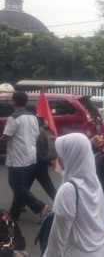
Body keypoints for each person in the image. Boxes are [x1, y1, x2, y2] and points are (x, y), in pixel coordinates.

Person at [44, 133, 104, 256]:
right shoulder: (94, 182)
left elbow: (57, 241)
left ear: (70, 155)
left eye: (61, 153)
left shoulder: (68, 190)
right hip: (99, 250)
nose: (58, 158)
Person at [0, 91, 48, 221]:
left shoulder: (13, 118)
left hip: (18, 159)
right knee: (21, 186)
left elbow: (6, 137)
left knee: (16, 186)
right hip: (31, 157)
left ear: (14, 102)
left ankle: (40, 206)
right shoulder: (33, 117)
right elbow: (37, 135)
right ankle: (15, 213)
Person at [28, 117, 57, 201]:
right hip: (43, 160)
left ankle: (59, 202)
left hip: (38, 160)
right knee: (25, 184)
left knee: (47, 185)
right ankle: (19, 205)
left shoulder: (38, 132)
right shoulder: (48, 131)